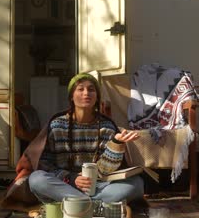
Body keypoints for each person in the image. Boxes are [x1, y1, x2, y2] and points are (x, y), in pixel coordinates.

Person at [29, 73, 144, 205]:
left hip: (98, 187)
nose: (86, 93)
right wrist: (71, 178)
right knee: (36, 179)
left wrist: (116, 144)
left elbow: (106, 170)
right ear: (71, 96)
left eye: (91, 89)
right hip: (65, 186)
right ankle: (92, 204)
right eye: (80, 89)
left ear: (97, 96)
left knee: (137, 184)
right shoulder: (57, 125)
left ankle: (80, 204)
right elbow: (45, 164)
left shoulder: (107, 126)